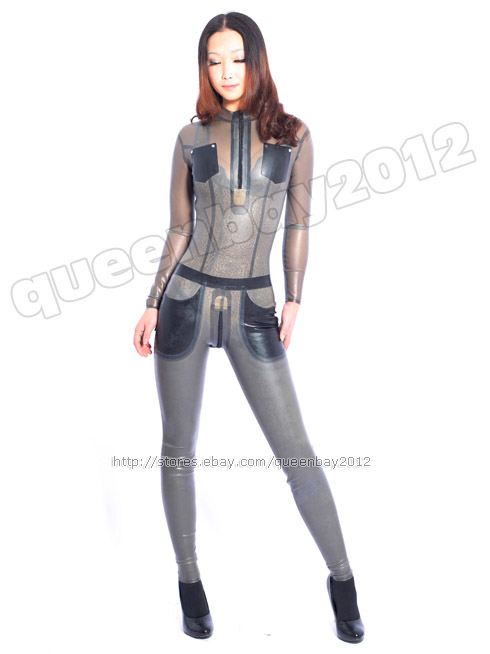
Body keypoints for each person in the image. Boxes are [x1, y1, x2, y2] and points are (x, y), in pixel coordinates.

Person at [133, 11, 364, 643]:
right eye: (214, 60)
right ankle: (189, 581)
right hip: (185, 300)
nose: (226, 71)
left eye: (237, 58)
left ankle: (343, 579)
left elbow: (299, 223)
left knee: (297, 455)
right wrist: (152, 301)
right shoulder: (189, 135)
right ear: (203, 67)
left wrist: (296, 298)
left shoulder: (293, 134)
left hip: (255, 306)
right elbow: (179, 229)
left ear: (256, 59)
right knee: (178, 448)